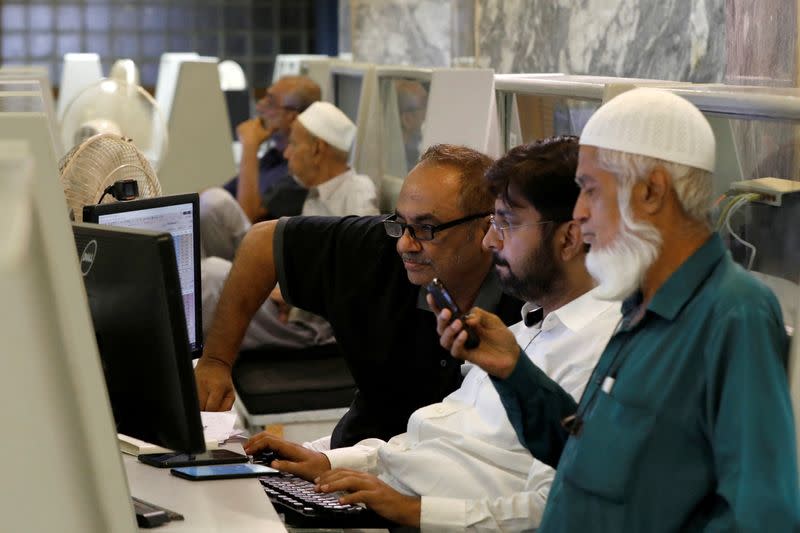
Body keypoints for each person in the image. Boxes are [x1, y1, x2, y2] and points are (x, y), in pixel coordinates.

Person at [438, 88, 800, 531]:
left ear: (651, 192)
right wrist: (514, 373)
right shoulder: (639, 303)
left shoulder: (732, 313)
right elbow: (588, 459)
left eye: (590, 190)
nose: (580, 213)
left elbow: (761, 511)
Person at [243, 136, 622, 530]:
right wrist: (328, 462)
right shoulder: (526, 328)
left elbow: (554, 508)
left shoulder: (597, 351)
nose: (491, 241)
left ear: (569, 237)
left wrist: (412, 512)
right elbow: (431, 440)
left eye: (505, 223)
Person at [195, 144, 523, 448]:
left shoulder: (527, 306)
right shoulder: (378, 248)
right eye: (400, 223)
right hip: (356, 465)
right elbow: (263, 242)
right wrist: (215, 363)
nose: (404, 244)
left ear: (486, 227)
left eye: (426, 229)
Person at [202, 101, 379, 350]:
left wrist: (294, 295)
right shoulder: (315, 193)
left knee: (212, 274)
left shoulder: (358, 195)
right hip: (289, 294)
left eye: (293, 145)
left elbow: (360, 280)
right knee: (214, 202)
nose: (286, 154)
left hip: (312, 323)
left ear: (317, 150)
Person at [199, 75, 321, 259]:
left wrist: (249, 146)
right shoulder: (271, 157)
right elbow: (220, 194)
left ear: (292, 116)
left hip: (263, 260)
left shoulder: (300, 172)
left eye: (270, 102)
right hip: (238, 253)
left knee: (216, 201)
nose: (259, 107)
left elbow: (247, 217)